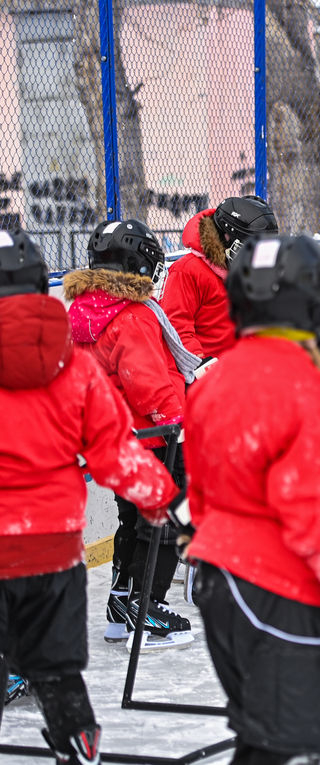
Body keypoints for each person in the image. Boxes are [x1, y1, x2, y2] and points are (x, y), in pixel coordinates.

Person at [183, 234, 320, 765]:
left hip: (218, 583)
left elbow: (198, 492)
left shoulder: (212, 380)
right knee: (289, 746)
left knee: (261, 737)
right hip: (279, 589)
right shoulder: (306, 390)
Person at [0, 228, 179, 763]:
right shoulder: (73, 369)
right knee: (56, 665)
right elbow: (115, 450)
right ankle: (77, 737)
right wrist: (162, 501)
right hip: (52, 548)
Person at [63, 219, 200, 650]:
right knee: (164, 522)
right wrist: (177, 419)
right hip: (156, 436)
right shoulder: (133, 316)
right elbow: (145, 382)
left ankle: (120, 603)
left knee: (132, 519)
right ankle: (147, 608)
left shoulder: (82, 311)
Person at [160, 195, 278, 370]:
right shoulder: (187, 270)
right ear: (226, 238)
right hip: (206, 378)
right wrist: (202, 368)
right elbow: (176, 329)